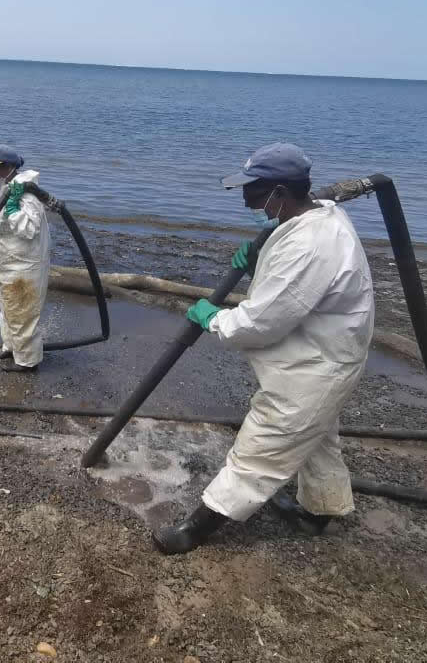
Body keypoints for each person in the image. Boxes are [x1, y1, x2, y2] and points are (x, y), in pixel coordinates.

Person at [152, 143, 375, 555]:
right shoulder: (311, 215)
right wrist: (259, 261)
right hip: (320, 351)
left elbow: (261, 322)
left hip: (316, 363)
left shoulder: (311, 243)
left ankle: (197, 528)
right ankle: (318, 512)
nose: (246, 199)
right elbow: (293, 289)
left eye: (254, 191)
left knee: (264, 444)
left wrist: (213, 318)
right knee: (317, 438)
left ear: (280, 191)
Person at [0, 145, 50, 373]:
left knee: (22, 315)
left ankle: (27, 362)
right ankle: (10, 347)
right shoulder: (6, 187)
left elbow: (29, 230)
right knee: (8, 310)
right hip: (8, 265)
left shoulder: (26, 193)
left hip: (23, 267)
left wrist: (12, 209)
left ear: (8, 168)